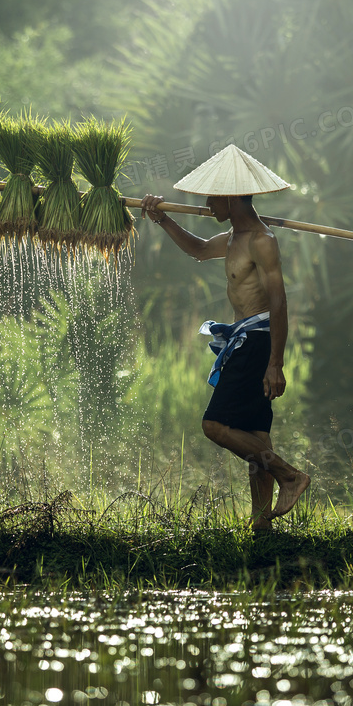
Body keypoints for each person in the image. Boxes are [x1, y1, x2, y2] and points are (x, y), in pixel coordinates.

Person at [139, 145, 311, 533]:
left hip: (257, 342)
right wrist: (162, 219)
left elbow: (280, 301)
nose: (206, 203)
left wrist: (275, 363)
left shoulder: (261, 240)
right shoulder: (233, 237)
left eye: (213, 196)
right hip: (243, 339)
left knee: (215, 426)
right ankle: (261, 526)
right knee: (255, 437)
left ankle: (289, 475)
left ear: (231, 196)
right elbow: (198, 250)